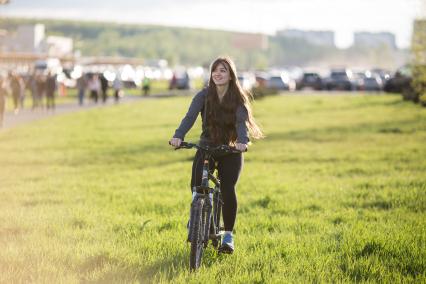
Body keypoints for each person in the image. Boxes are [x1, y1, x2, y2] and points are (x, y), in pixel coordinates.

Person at [169, 56, 264, 254]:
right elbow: (189, 118)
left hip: (230, 150)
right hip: (207, 146)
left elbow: (241, 125)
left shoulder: (238, 99)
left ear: (230, 76)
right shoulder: (203, 96)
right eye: (215, 70)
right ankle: (197, 215)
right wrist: (178, 136)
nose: (218, 74)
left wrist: (242, 142)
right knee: (196, 184)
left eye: (223, 70)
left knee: (227, 188)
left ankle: (228, 237)